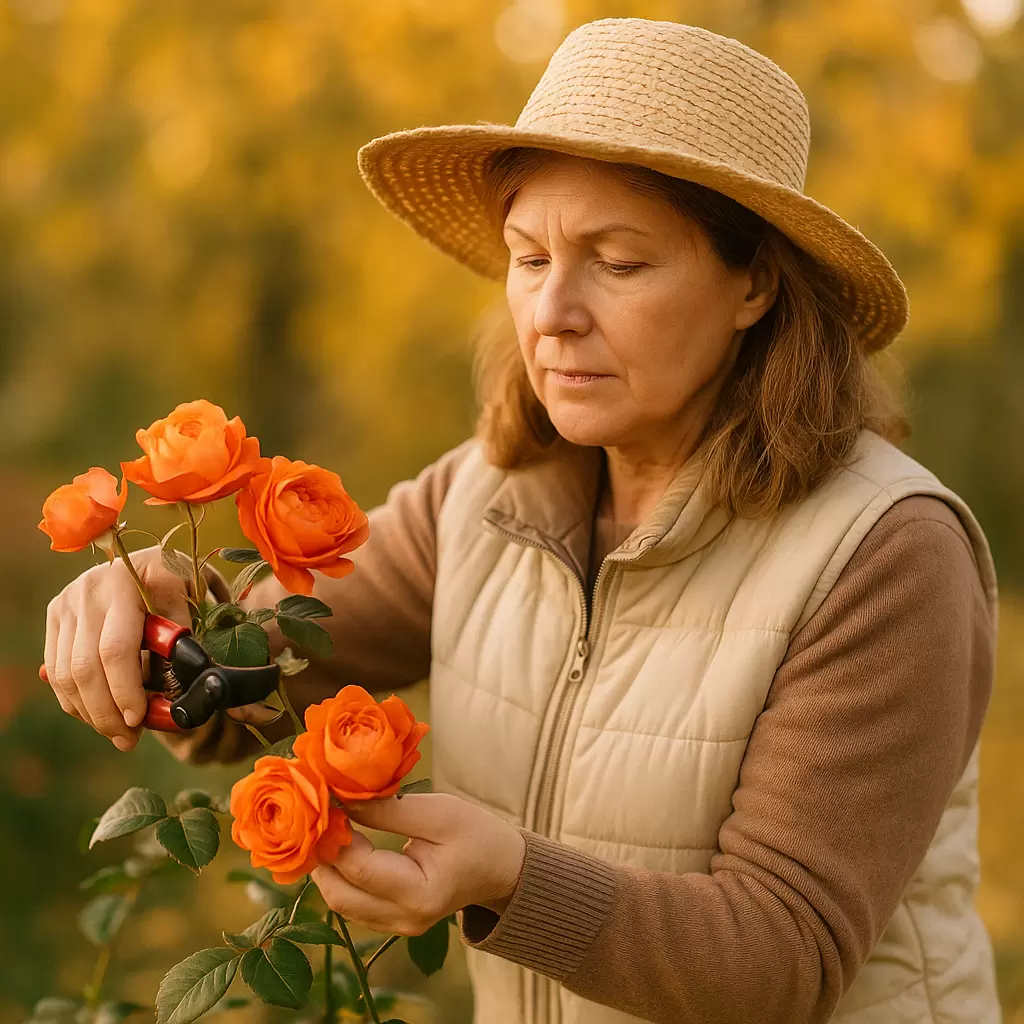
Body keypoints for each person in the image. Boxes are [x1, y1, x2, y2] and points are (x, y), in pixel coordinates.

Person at [41, 18, 1001, 1024]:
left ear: (753, 283)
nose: (550, 312)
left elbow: (780, 954)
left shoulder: (885, 553)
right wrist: (160, 619)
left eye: (619, 263)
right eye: (527, 256)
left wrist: (507, 875)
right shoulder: (484, 497)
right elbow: (262, 670)